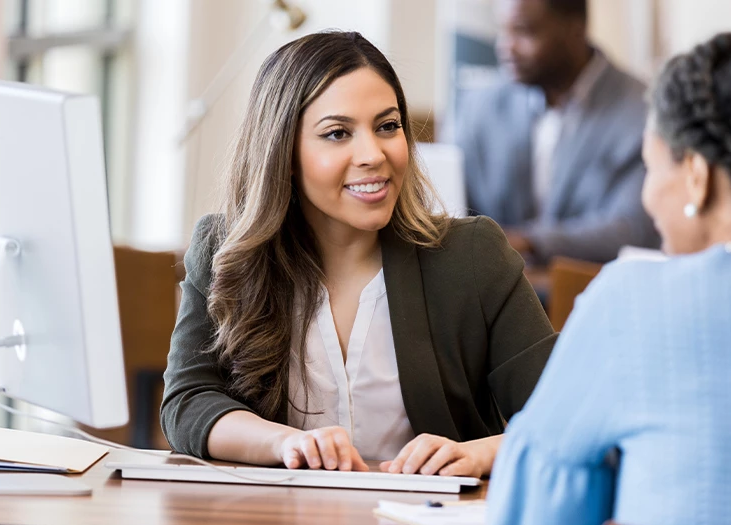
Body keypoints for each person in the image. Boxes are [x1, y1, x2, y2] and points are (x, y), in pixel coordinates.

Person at [160, 31, 557, 478]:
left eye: (388, 126)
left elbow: (567, 416)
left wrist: (479, 454)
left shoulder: (472, 255)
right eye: (337, 133)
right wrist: (286, 442)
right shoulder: (224, 248)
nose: (372, 154)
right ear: (284, 152)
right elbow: (188, 401)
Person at [487, 30, 731, 525]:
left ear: (697, 176)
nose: (647, 196)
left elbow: (543, 508)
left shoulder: (635, 300)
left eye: (651, 166)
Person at [456, 0, 658, 264]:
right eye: (503, 31)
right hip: (490, 292)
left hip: (589, 288)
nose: (506, 47)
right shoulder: (481, 107)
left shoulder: (642, 110)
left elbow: (631, 228)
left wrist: (530, 241)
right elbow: (454, 205)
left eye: (524, 32)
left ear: (575, 30)